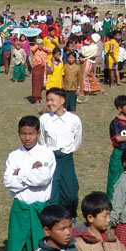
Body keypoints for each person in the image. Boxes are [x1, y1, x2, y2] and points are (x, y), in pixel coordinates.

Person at [4, 116, 55, 251]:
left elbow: (43, 178)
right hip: (20, 208)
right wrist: (30, 171)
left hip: (39, 209)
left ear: (38, 133)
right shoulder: (14, 156)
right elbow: (9, 182)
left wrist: (21, 173)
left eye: (31, 134)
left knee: (39, 249)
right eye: (23, 134)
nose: (27, 138)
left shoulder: (46, 154)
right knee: (17, 249)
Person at [39, 88, 82, 217]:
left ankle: (68, 217)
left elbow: (77, 140)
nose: (49, 103)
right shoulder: (44, 119)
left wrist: (68, 152)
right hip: (51, 158)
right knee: (53, 192)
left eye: (52, 100)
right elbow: (42, 140)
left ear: (62, 100)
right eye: (48, 100)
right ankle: (53, 220)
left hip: (67, 158)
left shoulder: (73, 120)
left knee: (70, 192)